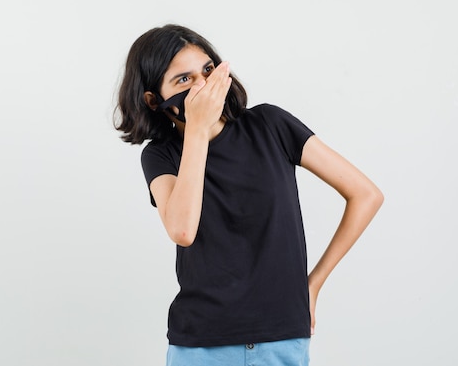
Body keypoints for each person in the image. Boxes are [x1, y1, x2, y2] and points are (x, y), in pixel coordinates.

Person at [113, 24, 384, 366]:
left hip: (282, 337)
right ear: (154, 100)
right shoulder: (161, 155)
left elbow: (366, 194)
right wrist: (196, 130)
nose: (203, 85)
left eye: (208, 71)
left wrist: (312, 286)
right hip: (201, 344)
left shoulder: (271, 125)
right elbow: (182, 230)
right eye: (184, 80)